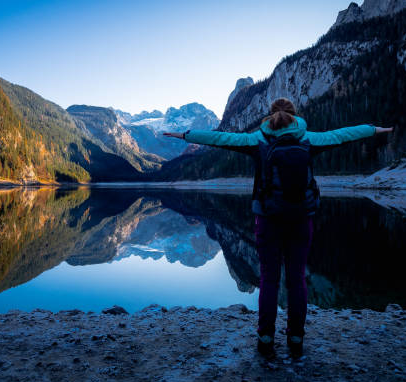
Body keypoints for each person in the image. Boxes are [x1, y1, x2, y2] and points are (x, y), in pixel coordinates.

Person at [164, 98, 392, 359]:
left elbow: (220, 138)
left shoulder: (257, 141)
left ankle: (265, 338)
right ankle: (296, 338)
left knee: (269, 279)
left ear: (270, 116)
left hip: (268, 219)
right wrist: (375, 130)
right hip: (301, 218)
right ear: (295, 116)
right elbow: (343, 135)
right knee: (296, 279)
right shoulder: (308, 139)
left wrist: (185, 135)